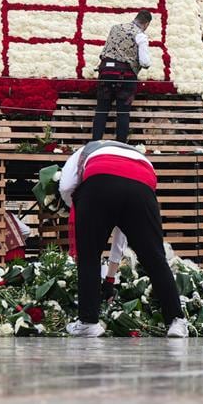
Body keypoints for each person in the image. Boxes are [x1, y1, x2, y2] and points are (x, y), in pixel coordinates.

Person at [58, 138, 187, 337]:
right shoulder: (137, 156)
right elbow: (121, 232)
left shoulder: (82, 152)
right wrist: (110, 276)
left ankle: (88, 322)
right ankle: (177, 321)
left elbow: (66, 187)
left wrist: (77, 209)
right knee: (154, 258)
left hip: (99, 182)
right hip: (142, 186)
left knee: (89, 256)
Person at [93, 10, 155, 144]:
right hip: (125, 76)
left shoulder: (115, 28)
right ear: (146, 24)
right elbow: (145, 62)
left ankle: (94, 143)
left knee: (101, 111)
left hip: (105, 73)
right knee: (123, 113)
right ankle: (120, 145)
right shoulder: (140, 35)